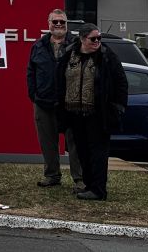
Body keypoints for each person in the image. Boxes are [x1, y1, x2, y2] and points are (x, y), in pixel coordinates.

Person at [55, 23, 127, 201]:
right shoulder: (69, 55)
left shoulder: (106, 56)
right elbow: (59, 80)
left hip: (98, 114)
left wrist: (118, 107)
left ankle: (98, 190)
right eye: (93, 39)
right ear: (82, 39)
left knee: (98, 153)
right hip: (75, 114)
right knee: (82, 152)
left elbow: (121, 82)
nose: (97, 42)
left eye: (99, 38)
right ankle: (88, 185)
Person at [27, 8, 82, 190]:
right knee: (47, 141)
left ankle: (79, 178)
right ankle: (52, 175)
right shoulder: (38, 46)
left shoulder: (77, 45)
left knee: (75, 141)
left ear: (67, 24)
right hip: (43, 101)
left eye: (62, 22)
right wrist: (34, 94)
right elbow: (31, 72)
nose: (59, 25)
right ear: (48, 24)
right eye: (55, 22)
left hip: (71, 103)